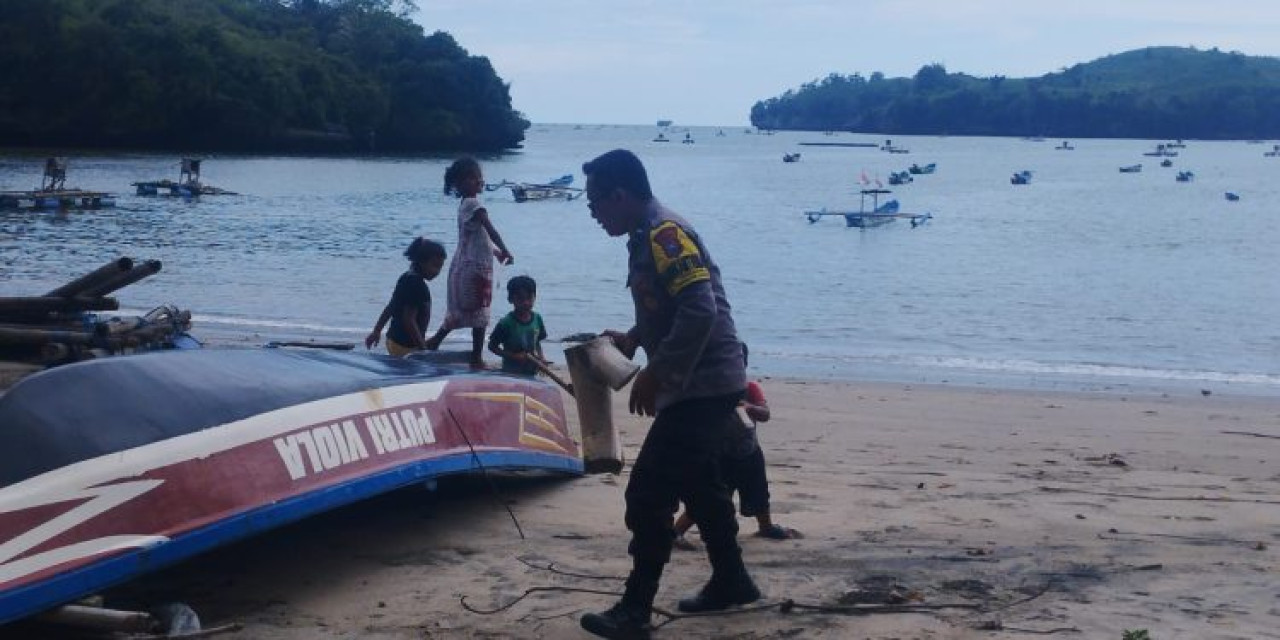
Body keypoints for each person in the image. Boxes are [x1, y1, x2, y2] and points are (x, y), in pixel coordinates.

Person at [578, 149, 760, 639]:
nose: (593, 212)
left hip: (703, 385)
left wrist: (657, 371)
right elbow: (672, 304)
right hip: (707, 381)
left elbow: (700, 312)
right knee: (700, 483)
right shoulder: (644, 236)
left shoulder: (664, 235)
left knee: (648, 492)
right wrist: (637, 338)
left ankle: (636, 610)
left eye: (596, 202)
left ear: (620, 195)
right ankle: (732, 580)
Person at [672, 375, 800, 550]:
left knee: (759, 493)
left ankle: (766, 527)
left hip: (749, 451)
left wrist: (749, 408)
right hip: (720, 454)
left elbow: (765, 414)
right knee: (709, 497)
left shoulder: (751, 388)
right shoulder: (712, 388)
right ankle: (676, 532)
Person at [425, 158, 514, 367]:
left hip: (469, 264)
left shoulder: (466, 204)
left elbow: (478, 236)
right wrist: (506, 249)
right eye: (471, 178)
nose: (477, 181)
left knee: (464, 311)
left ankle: (436, 341)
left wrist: (496, 252)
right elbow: (490, 230)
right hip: (474, 268)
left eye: (478, 177)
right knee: (480, 312)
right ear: (459, 183)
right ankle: (475, 356)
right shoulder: (473, 204)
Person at [364, 238, 447, 357]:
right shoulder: (418, 285)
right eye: (435, 266)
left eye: (440, 267)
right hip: (404, 346)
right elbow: (409, 320)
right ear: (421, 262)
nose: (437, 271)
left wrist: (376, 331)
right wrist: (423, 350)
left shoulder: (405, 277)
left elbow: (391, 306)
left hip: (393, 340)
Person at [487, 275, 547, 376]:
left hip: (531, 371)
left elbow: (537, 342)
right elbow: (492, 346)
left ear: (535, 297)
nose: (526, 303)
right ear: (510, 299)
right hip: (511, 373)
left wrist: (541, 358)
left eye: (529, 298)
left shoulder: (537, 319)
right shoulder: (506, 323)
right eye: (520, 299)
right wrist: (514, 356)